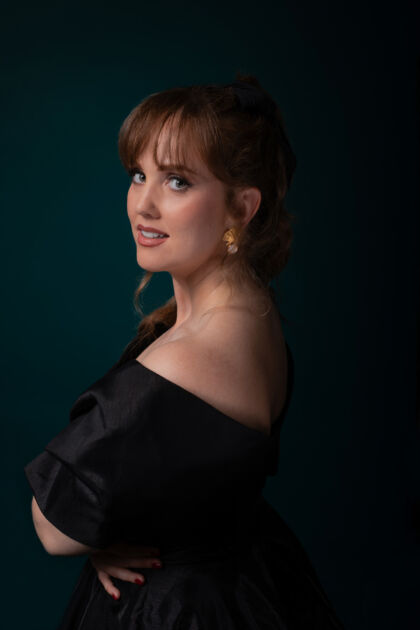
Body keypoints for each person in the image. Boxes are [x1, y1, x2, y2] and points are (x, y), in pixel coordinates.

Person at [24, 74, 346, 629]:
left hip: (176, 609)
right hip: (245, 580)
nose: (143, 204)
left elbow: (54, 528)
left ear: (241, 207)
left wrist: (105, 537)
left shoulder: (181, 363)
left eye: (177, 181)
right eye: (138, 174)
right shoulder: (256, 314)